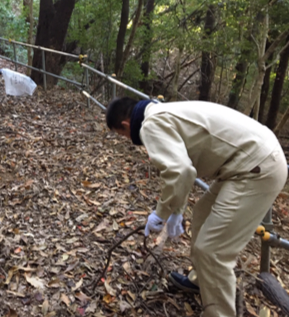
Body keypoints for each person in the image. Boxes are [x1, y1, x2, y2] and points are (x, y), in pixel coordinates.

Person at [105, 97, 287, 317]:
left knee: (212, 250)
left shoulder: (150, 125)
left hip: (256, 168)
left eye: (121, 135)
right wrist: (177, 212)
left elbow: (181, 172)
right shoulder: (160, 113)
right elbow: (183, 169)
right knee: (202, 213)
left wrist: (161, 214)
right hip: (250, 160)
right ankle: (201, 281)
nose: (126, 138)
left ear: (124, 125)